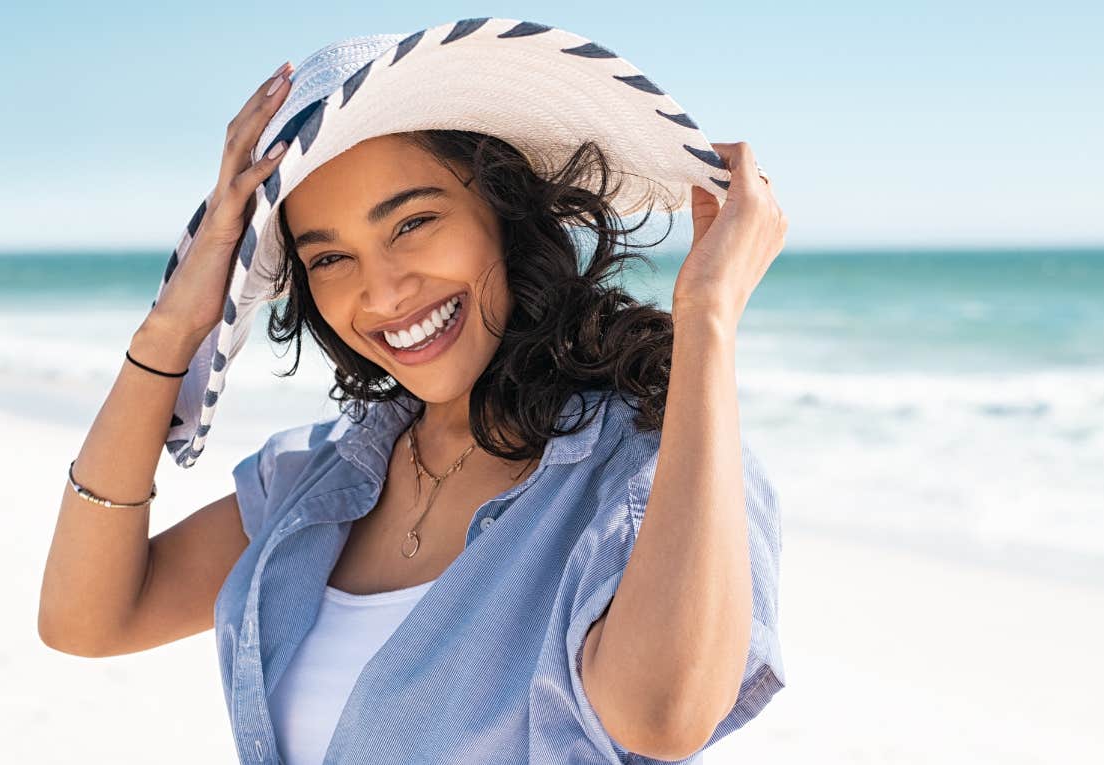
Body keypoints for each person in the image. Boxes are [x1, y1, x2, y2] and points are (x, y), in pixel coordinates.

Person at [39, 19, 787, 765]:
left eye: (413, 222)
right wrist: (173, 329)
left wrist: (707, 322)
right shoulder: (312, 484)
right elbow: (85, 618)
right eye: (329, 258)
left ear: (503, 209)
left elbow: (663, 715)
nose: (384, 292)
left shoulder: (649, 470)